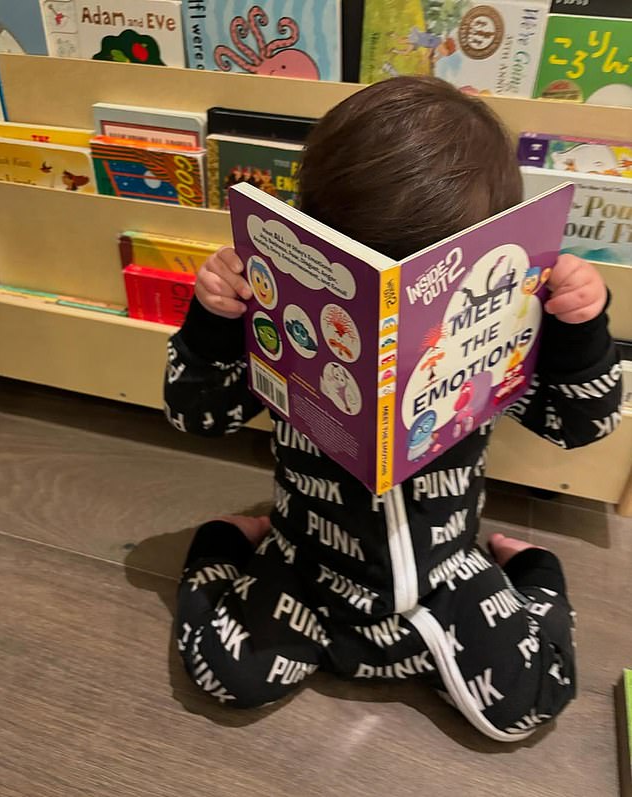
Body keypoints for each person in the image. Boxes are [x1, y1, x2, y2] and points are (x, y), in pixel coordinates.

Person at [164, 77, 622, 741]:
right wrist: (214, 319)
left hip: (447, 577)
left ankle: (534, 568)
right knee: (219, 673)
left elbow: (581, 424)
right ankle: (224, 539)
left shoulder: (508, 306)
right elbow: (194, 412)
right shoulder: (270, 298)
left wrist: (581, 328)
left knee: (532, 701)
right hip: (306, 565)